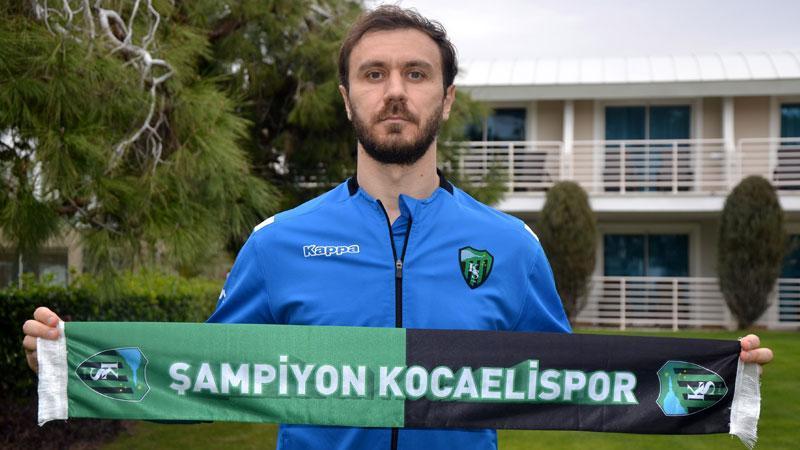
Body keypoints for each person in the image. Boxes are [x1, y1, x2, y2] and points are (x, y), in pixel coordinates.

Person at [22, 5, 773, 450]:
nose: (395, 92)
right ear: (346, 97)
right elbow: (205, 379)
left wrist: (721, 375)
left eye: (416, 74)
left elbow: (572, 382)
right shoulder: (276, 243)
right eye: (374, 73)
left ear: (446, 99)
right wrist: (69, 364)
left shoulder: (510, 247)